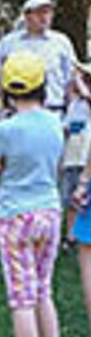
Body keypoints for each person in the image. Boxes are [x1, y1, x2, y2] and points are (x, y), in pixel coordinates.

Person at [0, 52, 66, 337]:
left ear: (7, 89)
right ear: (42, 85)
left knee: (22, 300)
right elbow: (56, 163)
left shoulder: (3, 130)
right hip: (50, 211)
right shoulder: (55, 123)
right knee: (44, 291)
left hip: (14, 217)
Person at [0, 0, 76, 126]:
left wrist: (71, 116)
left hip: (53, 114)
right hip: (15, 115)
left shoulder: (62, 42)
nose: (44, 17)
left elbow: (71, 81)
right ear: (27, 16)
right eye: (39, 12)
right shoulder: (8, 43)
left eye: (48, 12)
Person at [60, 63, 91, 249]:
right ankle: (70, 236)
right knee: (70, 198)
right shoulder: (75, 105)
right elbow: (65, 129)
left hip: (87, 161)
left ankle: (85, 235)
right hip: (71, 159)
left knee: (86, 200)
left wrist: (78, 79)